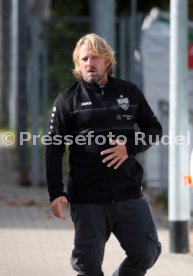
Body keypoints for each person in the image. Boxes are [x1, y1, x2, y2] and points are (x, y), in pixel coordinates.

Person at [46, 33, 162, 276]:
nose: (90, 63)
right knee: (87, 266)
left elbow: (154, 129)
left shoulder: (128, 92)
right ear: (78, 64)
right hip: (88, 198)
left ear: (107, 61)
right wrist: (55, 193)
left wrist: (129, 147)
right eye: (84, 58)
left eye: (95, 57)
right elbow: (54, 146)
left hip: (129, 193)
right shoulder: (68, 99)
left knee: (146, 252)